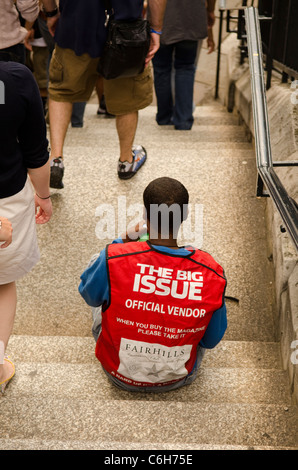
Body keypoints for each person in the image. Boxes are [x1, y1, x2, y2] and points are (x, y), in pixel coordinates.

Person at [79, 177, 227, 393]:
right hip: (177, 378)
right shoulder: (211, 271)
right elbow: (211, 340)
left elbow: (89, 295)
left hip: (118, 374)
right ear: (184, 216)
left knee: (100, 268)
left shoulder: (114, 258)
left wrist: (122, 241)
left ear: (146, 216)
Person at [40, 0, 167, 188]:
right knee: (127, 98)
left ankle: (55, 159)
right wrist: (155, 29)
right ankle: (126, 161)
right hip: (126, 30)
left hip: (76, 25)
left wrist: (51, 14)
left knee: (62, 91)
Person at [0, 61, 53, 393]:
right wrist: (44, 195)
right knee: (3, 283)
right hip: (7, 198)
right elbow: (35, 150)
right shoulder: (16, 78)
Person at [152, 0, 216, 130]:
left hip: (161, 20)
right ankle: (183, 120)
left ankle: (164, 117)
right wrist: (210, 10)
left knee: (161, 69)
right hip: (191, 18)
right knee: (185, 67)